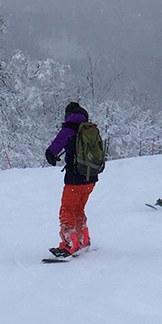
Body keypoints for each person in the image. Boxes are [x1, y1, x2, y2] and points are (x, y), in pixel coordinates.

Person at [45, 100, 100, 257]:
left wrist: (54, 159)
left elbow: (50, 152)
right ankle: (83, 240)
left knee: (67, 210)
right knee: (78, 209)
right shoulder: (90, 130)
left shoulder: (68, 131)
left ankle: (69, 244)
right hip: (91, 179)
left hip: (75, 179)